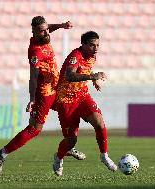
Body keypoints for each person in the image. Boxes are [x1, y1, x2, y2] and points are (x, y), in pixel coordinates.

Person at [0, 16, 86, 174]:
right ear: (34, 32)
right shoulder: (36, 52)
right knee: (35, 129)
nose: (46, 32)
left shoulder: (44, 37)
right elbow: (33, 77)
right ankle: (1, 153)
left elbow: (48, 27)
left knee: (69, 109)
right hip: (44, 93)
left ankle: (68, 146)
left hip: (56, 88)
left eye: (46, 29)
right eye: (42, 31)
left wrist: (61, 25)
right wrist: (32, 100)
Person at [52, 31, 117, 176]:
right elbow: (69, 75)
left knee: (99, 123)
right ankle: (58, 157)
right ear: (83, 44)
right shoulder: (75, 56)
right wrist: (91, 76)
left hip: (83, 96)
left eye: (97, 45)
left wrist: (93, 80)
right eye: (92, 45)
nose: (96, 48)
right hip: (66, 100)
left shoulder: (92, 56)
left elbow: (87, 68)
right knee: (71, 141)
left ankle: (104, 155)